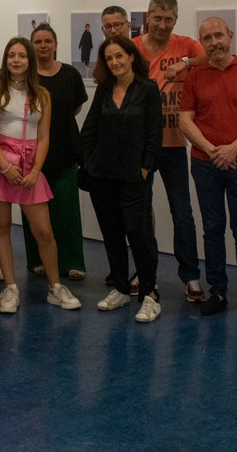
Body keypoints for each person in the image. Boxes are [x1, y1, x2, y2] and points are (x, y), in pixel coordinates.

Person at [179, 17, 237, 320]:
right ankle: (217, 291)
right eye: (207, 38)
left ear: (230, 36)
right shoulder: (194, 76)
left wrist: (233, 148)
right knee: (213, 229)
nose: (214, 42)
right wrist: (211, 149)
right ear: (202, 43)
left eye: (219, 35)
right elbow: (185, 120)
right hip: (205, 165)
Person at [0, 37, 81, 313]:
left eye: (22, 56)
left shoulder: (42, 94)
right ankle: (10, 288)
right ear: (5, 60)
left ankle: (55, 287)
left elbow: (44, 136)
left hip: (30, 167)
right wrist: (5, 166)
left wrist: (36, 170)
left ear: (30, 60)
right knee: (1, 227)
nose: (16, 60)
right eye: (12, 55)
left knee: (44, 232)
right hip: (0, 165)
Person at [81, 35, 163, 323]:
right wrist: (89, 163)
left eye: (119, 56)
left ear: (131, 57)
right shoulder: (104, 89)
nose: (114, 62)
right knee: (112, 232)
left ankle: (150, 294)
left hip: (134, 176)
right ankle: (120, 287)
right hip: (102, 176)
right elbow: (89, 130)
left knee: (139, 233)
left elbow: (154, 134)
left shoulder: (148, 89)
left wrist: (145, 168)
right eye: (109, 58)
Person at [133, 0, 207, 304]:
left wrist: (185, 63)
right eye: (157, 18)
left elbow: (212, 57)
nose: (162, 25)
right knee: (141, 213)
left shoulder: (187, 45)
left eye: (168, 19)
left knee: (182, 212)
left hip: (176, 143)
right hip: (142, 145)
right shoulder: (134, 48)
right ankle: (144, 273)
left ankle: (190, 276)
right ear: (147, 17)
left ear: (175, 19)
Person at [25, 23, 88, 281]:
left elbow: (75, 108)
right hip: (31, 154)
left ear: (56, 44)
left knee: (67, 211)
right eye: (38, 42)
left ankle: (73, 262)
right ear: (32, 46)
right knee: (33, 211)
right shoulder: (26, 76)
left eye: (47, 41)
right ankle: (37, 260)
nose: (43, 46)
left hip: (65, 150)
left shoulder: (70, 74)